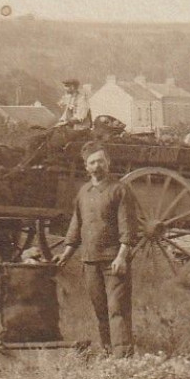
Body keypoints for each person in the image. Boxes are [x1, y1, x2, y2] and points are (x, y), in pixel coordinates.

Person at [55, 142, 139, 356]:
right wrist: (66, 253)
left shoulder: (120, 189)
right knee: (100, 310)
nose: (97, 165)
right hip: (90, 261)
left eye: (101, 161)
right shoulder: (83, 192)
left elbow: (128, 227)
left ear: (108, 163)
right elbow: (76, 225)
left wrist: (122, 256)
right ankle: (108, 350)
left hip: (114, 261)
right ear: (86, 167)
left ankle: (123, 357)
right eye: (92, 162)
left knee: (117, 309)